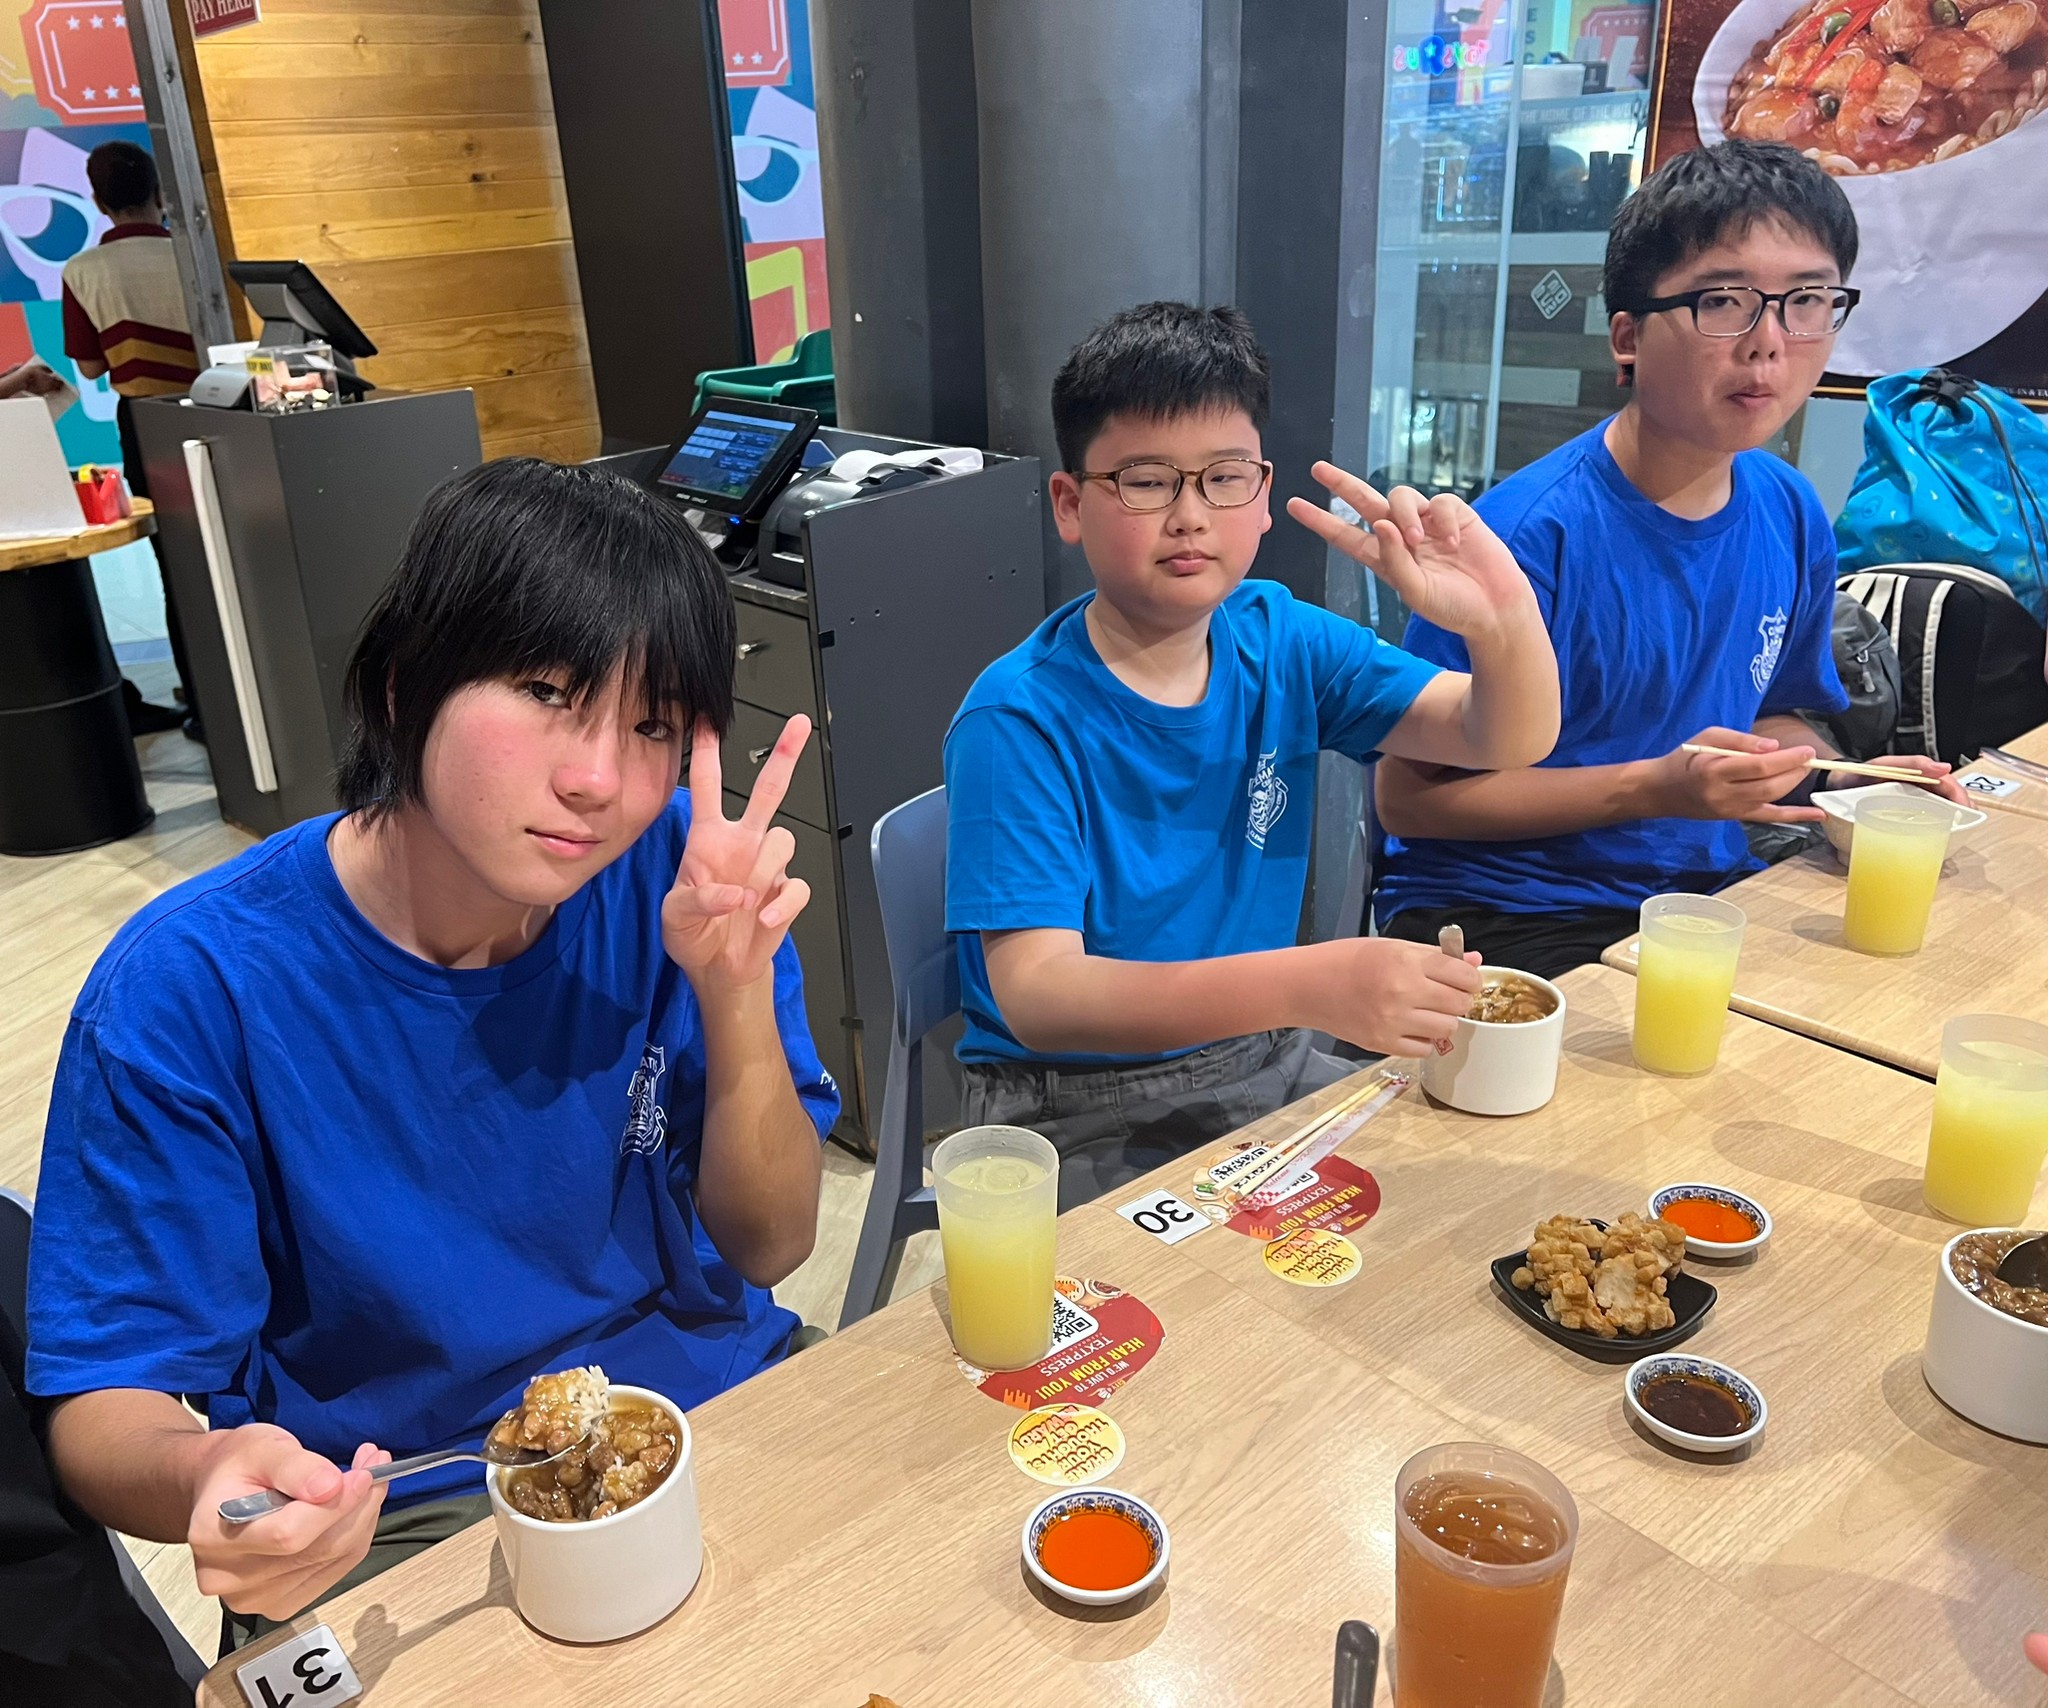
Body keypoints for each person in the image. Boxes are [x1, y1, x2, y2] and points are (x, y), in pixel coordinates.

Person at [25, 459, 835, 1641]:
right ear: (405, 683)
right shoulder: (190, 987)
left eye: (651, 724)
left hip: (705, 1407)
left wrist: (733, 988)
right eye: (546, 692)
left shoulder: (686, 876)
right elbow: (106, 1399)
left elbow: (772, 1244)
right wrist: (205, 1474)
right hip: (400, 1503)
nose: (596, 779)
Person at [944, 301, 1560, 1206]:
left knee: (1466, 1209)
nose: (1191, 516)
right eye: (1146, 481)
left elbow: (1502, 735)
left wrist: (1503, 618)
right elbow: (1040, 994)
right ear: (1071, 505)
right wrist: (1313, 983)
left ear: (1263, 495)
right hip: (1074, 1102)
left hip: (1264, 1060)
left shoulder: (1280, 638)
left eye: (1224, 478)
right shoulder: (1019, 716)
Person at [1371, 140, 1966, 981]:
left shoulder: (1789, 510)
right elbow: (1407, 799)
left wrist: (1842, 785)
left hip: (1701, 892)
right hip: (1508, 909)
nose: (1769, 343)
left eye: (1806, 302)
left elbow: (1771, 717)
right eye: (1723, 301)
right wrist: (1657, 788)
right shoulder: (1523, 538)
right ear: (1628, 336)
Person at [60, 140, 203, 739]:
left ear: (98, 202)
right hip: (216, 411)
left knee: (174, 562)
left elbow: (91, 367)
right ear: (159, 193)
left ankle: (201, 698)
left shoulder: (81, 270)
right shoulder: (194, 255)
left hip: (144, 424)